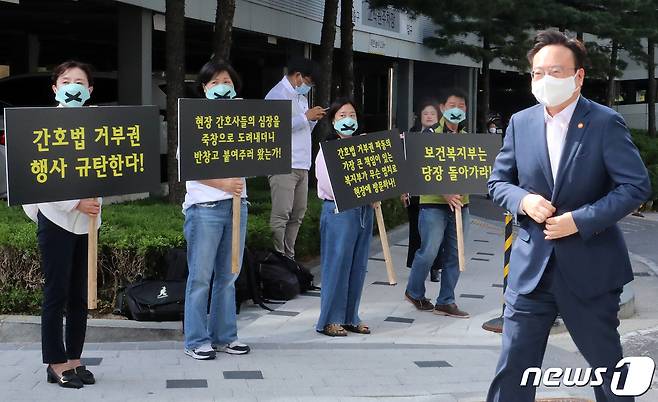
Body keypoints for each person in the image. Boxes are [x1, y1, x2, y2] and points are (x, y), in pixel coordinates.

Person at [486, 30, 651, 402]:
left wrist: (580, 220)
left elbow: (636, 187)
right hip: (530, 272)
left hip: (589, 271)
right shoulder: (521, 122)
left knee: (609, 374)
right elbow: (498, 182)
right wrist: (524, 200)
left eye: (556, 72)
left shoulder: (605, 123)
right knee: (513, 370)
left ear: (578, 77)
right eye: (538, 73)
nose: (546, 81)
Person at [22, 60, 101, 388]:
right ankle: (55, 363)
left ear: (89, 90)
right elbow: (36, 175)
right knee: (56, 293)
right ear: (55, 88)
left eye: (79, 81)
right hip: (56, 219)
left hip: (86, 222)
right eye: (66, 80)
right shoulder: (42, 124)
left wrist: (93, 206)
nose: (73, 86)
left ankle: (74, 359)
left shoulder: (98, 125)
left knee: (79, 296)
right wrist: (73, 203)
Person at [182, 60, 250, 360]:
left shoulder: (245, 119)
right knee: (200, 278)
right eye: (214, 82)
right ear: (204, 88)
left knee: (228, 275)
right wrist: (223, 184)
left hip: (237, 206)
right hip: (206, 207)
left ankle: (226, 336)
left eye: (227, 81)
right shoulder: (193, 119)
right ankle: (196, 339)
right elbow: (188, 167)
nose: (222, 86)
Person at [404, 89, 471, 318]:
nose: (456, 109)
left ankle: (446, 300)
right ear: (443, 108)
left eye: (461, 106)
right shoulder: (429, 135)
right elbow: (421, 170)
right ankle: (414, 291)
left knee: (455, 254)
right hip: (433, 203)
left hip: (461, 204)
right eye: (452, 105)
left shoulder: (468, 139)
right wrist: (444, 193)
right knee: (429, 251)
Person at [315, 98, 373, 337]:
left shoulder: (365, 146)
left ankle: (350, 316)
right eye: (342, 115)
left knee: (357, 267)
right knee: (337, 267)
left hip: (363, 212)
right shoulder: (326, 150)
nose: (348, 119)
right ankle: (330, 319)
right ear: (333, 121)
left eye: (352, 115)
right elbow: (329, 186)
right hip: (339, 212)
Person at [265, 58, 325, 259]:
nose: (308, 87)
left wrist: (312, 120)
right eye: (309, 82)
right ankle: (278, 258)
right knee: (282, 213)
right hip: (284, 163)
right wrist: (306, 117)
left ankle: (289, 257)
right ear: (298, 76)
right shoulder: (277, 94)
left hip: (302, 163)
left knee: (298, 213)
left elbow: (303, 129)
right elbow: (274, 127)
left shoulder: (301, 99)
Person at [402, 99, 444, 282]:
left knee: (435, 234)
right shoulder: (410, 135)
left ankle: (435, 267)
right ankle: (415, 268)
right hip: (415, 192)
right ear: (420, 116)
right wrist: (404, 190)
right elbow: (405, 165)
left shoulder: (443, 136)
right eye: (426, 113)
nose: (428, 116)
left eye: (432, 114)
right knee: (415, 232)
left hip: (435, 195)